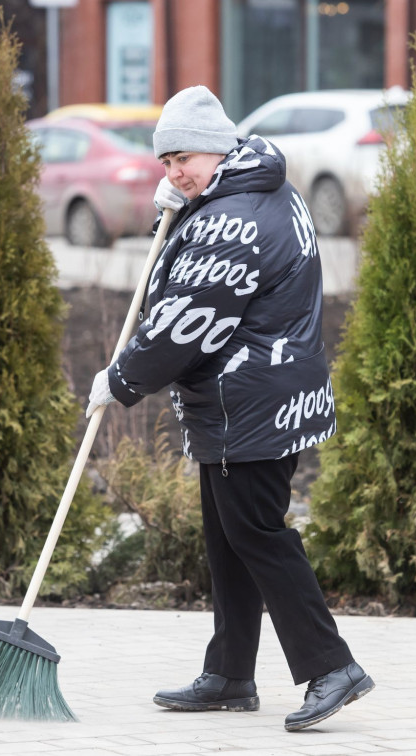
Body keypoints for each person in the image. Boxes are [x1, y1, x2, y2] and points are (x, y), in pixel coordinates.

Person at [85, 85, 373, 732]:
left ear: (218, 148)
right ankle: (229, 674)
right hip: (254, 398)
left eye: (183, 157)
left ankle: (332, 667)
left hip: (252, 400)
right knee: (226, 537)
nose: (175, 171)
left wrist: (122, 379)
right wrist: (183, 210)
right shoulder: (252, 191)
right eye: (165, 163)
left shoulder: (232, 218)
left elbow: (184, 324)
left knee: (256, 534)